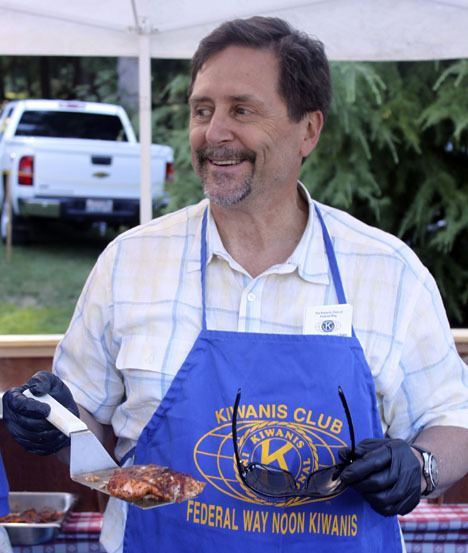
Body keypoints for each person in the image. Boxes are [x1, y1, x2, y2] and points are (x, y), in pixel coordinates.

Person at [2, 15, 468, 553]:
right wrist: (56, 420)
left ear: (308, 130)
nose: (213, 132)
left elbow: (453, 419)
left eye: (241, 110)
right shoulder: (129, 262)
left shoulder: (389, 272)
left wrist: (419, 464)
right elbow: (90, 432)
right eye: (203, 110)